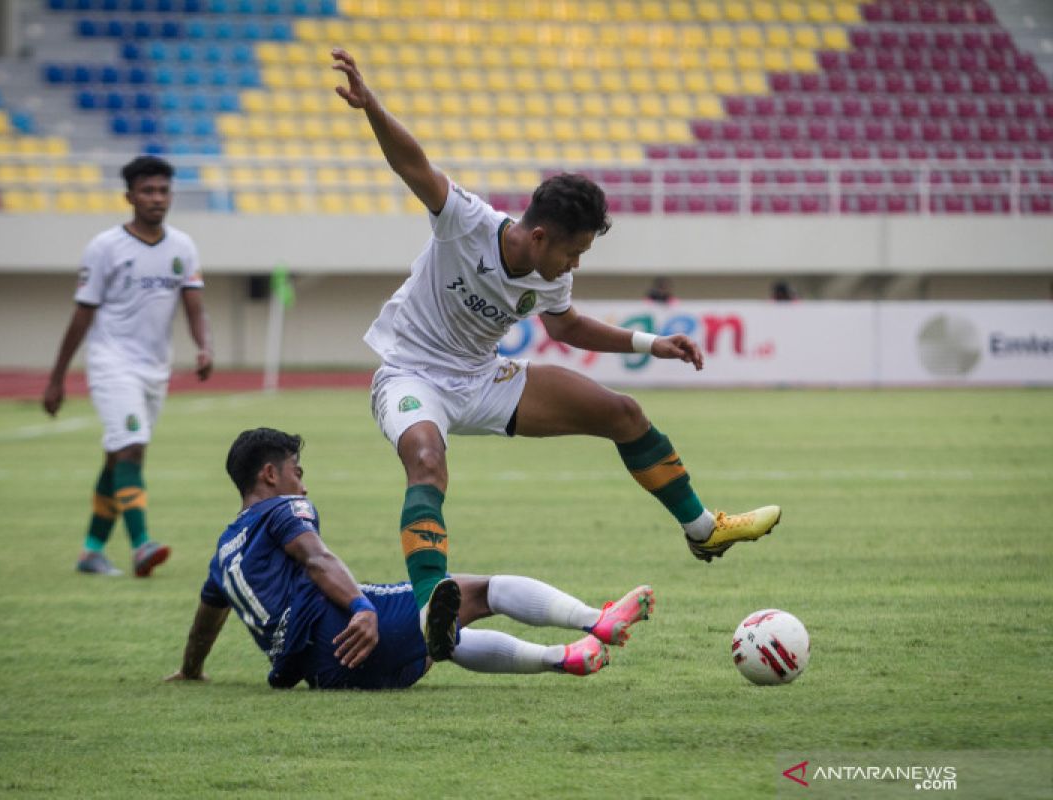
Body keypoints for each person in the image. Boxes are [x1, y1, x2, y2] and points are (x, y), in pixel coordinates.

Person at [330, 48, 782, 659]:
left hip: (483, 378)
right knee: (427, 460)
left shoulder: (549, 275)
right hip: (412, 375)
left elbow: (566, 327)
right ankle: (432, 603)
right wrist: (371, 106)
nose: (575, 265)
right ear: (538, 235)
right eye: (573, 252)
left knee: (622, 413)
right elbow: (414, 164)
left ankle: (703, 531)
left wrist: (652, 344)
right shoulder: (464, 221)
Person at [165, 428, 655, 690]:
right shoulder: (282, 507)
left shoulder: (223, 552)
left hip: (328, 674)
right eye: (298, 471)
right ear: (270, 475)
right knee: (475, 592)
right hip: (347, 629)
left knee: (438, 634)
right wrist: (360, 608)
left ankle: (561, 659)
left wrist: (191, 669)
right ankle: (598, 621)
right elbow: (316, 558)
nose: (304, 484)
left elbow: (206, 620)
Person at [43, 155, 213, 578]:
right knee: (132, 447)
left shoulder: (182, 247)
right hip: (111, 362)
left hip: (156, 369)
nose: (157, 199)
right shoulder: (105, 248)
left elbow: (194, 305)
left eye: (163, 191)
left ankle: (90, 553)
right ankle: (142, 546)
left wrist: (204, 346)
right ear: (130, 196)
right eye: (148, 191)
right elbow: (82, 314)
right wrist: (57, 378)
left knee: (119, 457)